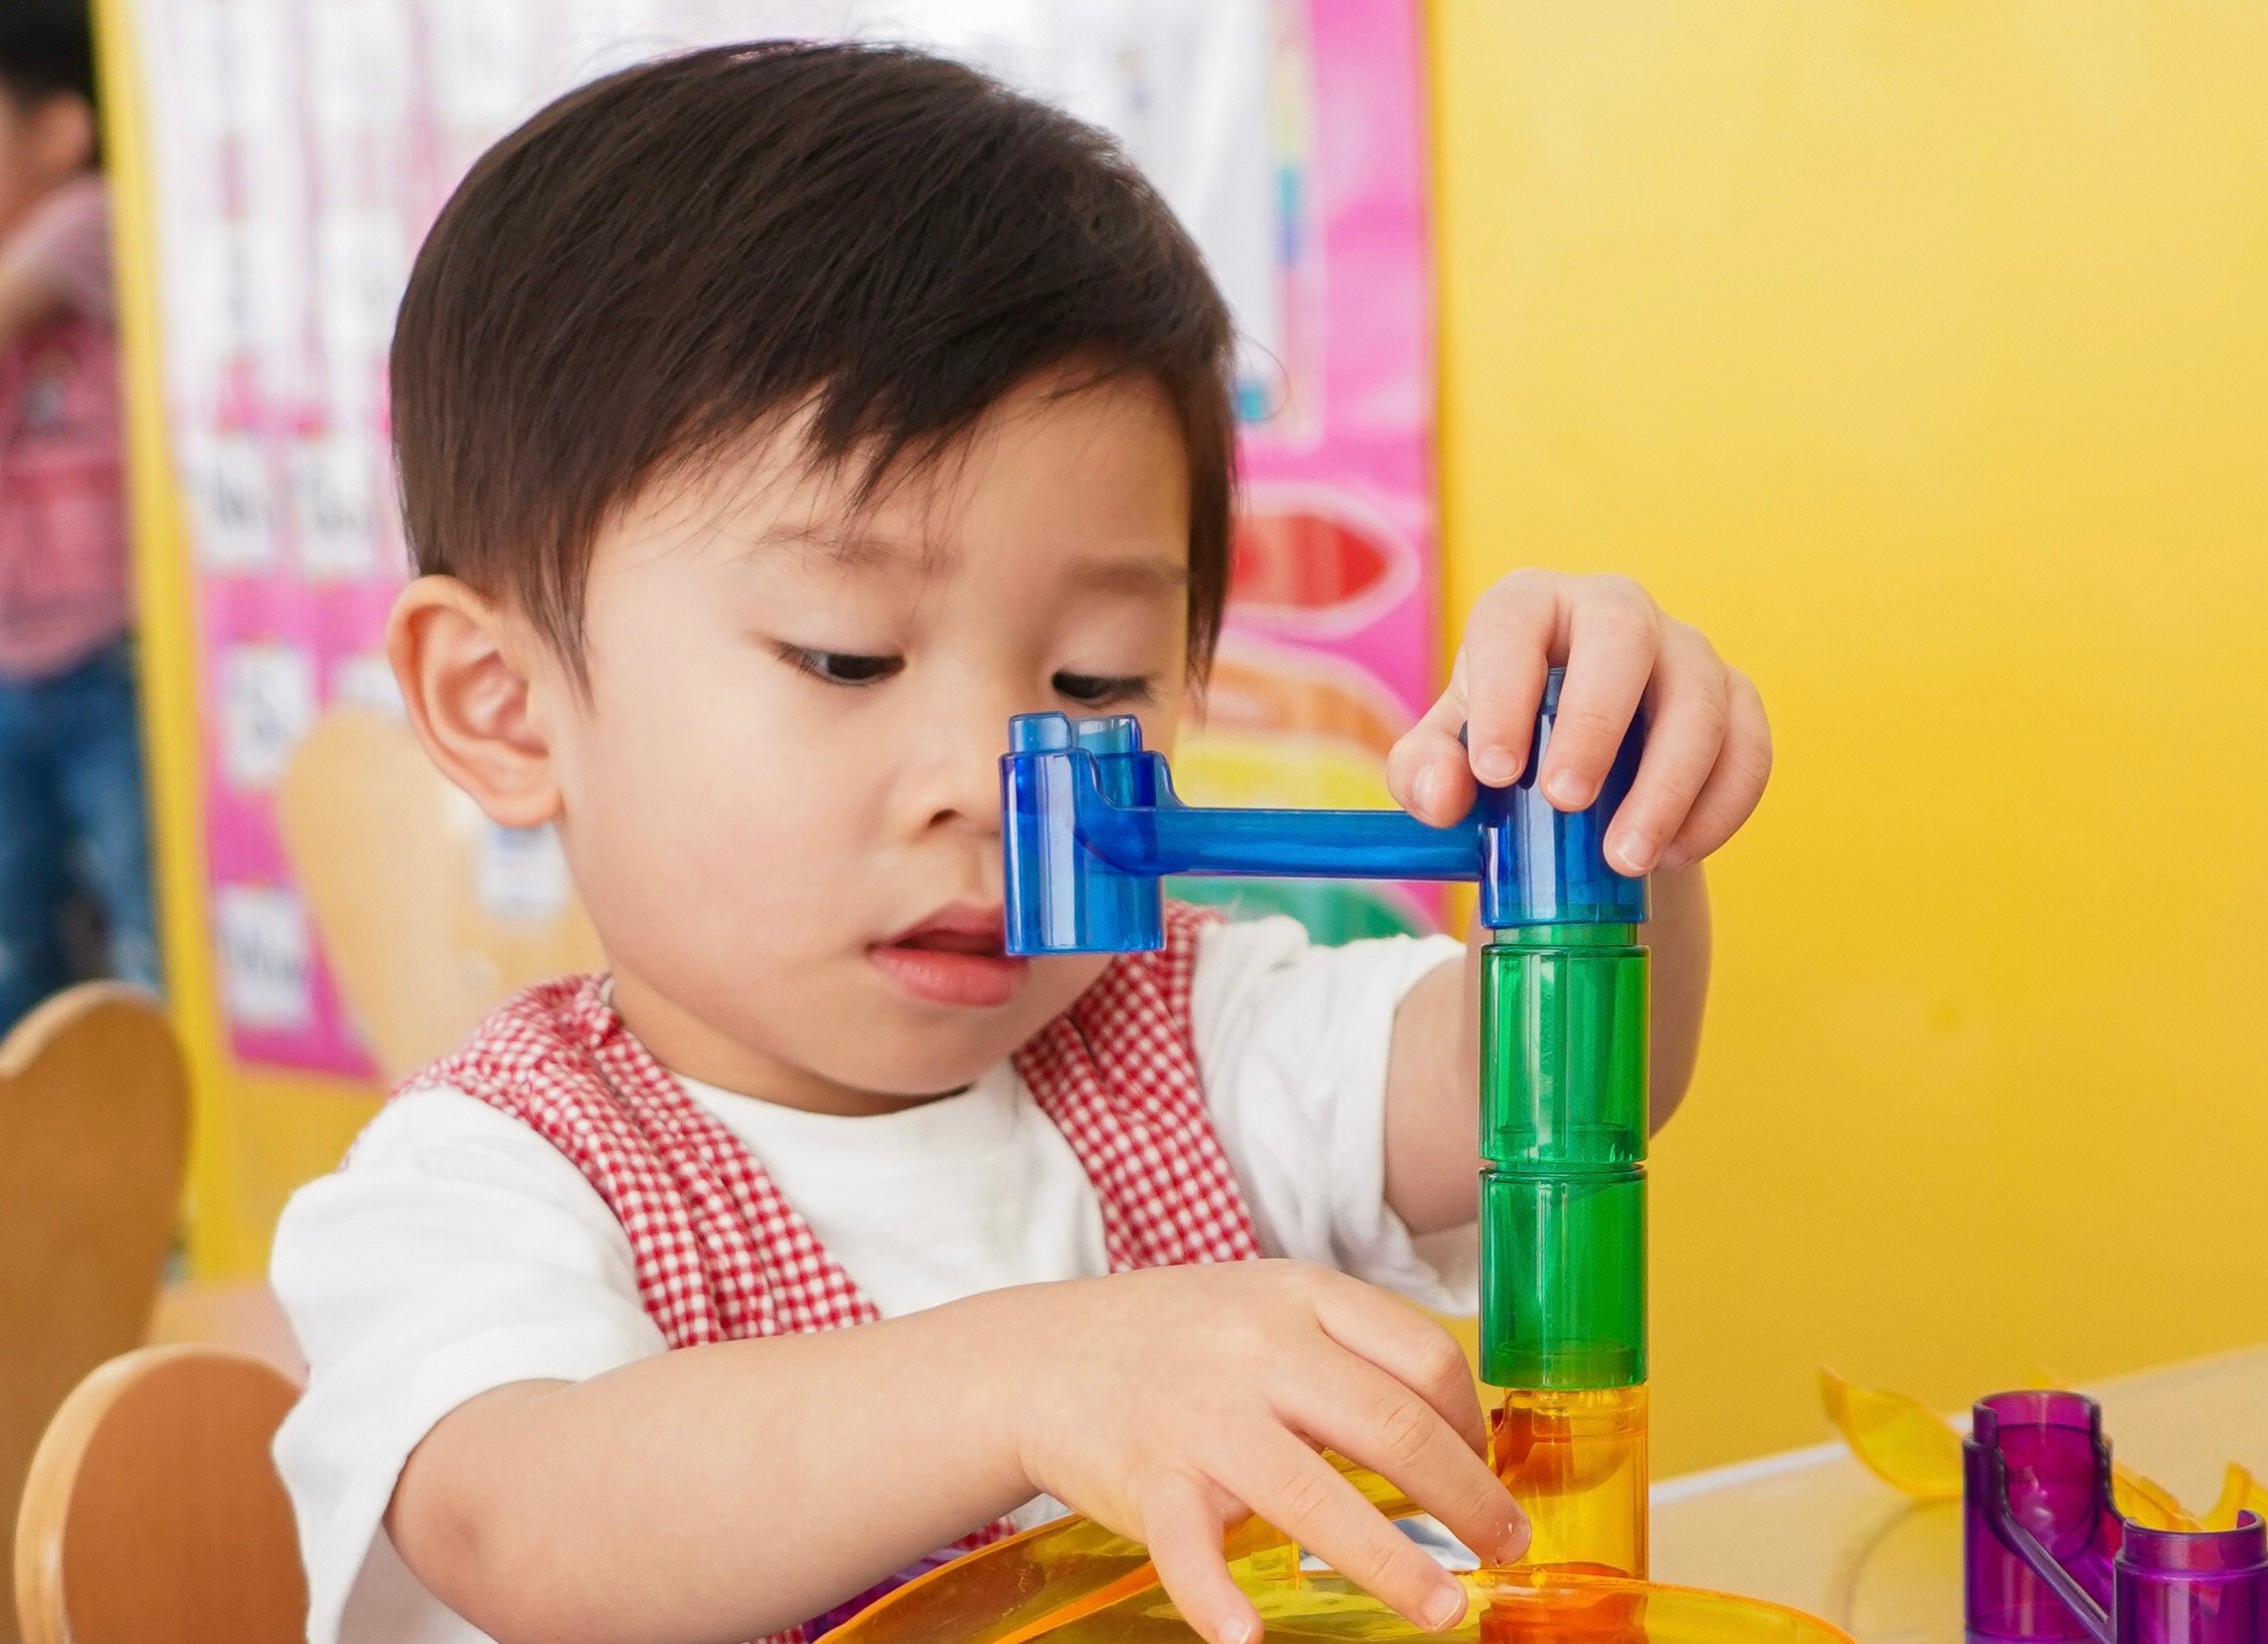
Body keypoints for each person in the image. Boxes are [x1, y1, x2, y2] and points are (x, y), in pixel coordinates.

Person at [270, 42, 1773, 1644]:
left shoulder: (1190, 1030)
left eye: (1096, 680)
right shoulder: (484, 1179)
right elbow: (528, 1524)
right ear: (504, 703)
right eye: (846, 654)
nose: (995, 781)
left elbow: (1559, 1086)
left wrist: (1609, 805)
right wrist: (1032, 1374)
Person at [0, 1, 155, 1036]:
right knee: (18, 936)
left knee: (144, 916)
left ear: (61, 131)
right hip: (13, 661)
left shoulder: (87, 216)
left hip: (106, 656)